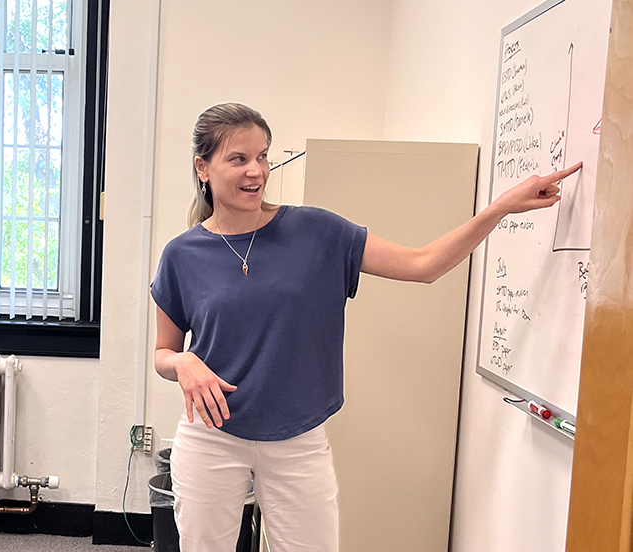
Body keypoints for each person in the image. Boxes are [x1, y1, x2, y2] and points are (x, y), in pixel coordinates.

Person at [150, 102, 581, 552]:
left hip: (298, 437)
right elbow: (163, 353)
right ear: (203, 167)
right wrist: (183, 363)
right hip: (211, 438)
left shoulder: (317, 231)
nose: (255, 170)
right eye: (238, 159)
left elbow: (423, 264)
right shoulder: (182, 255)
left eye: (262, 156)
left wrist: (501, 208)